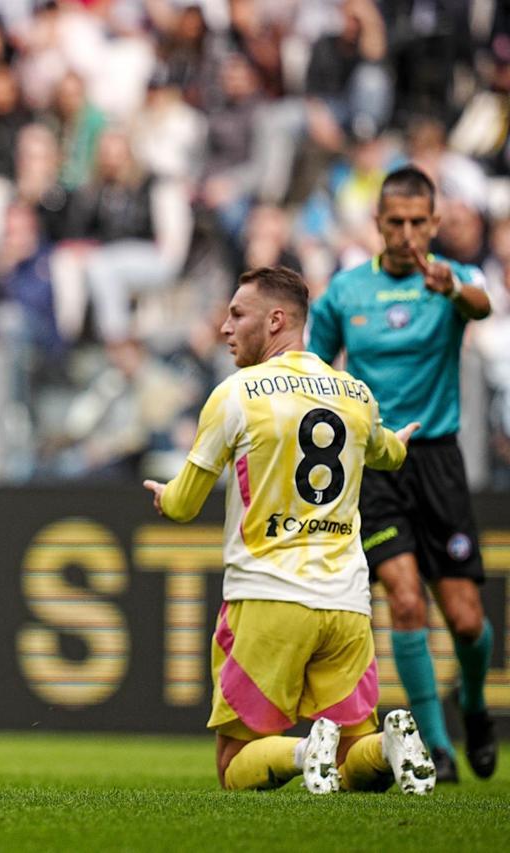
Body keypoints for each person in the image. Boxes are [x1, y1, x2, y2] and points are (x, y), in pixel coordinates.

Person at [144, 266, 434, 795]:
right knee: (352, 758)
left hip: (267, 599)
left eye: (238, 314)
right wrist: (401, 442)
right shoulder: (354, 393)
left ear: (276, 320)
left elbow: (184, 505)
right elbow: (388, 453)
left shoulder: (236, 394)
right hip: (346, 605)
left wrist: (166, 497)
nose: (225, 327)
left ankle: (303, 751)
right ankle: (388, 748)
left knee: (234, 764)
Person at [309, 166, 497, 783]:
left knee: (466, 619)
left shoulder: (451, 279)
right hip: (376, 464)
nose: (408, 233)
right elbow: (315, 370)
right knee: (406, 600)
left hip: (438, 460)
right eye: (396, 222)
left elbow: (483, 305)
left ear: (435, 222)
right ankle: (437, 747)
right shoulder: (345, 292)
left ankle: (474, 705)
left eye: (419, 222)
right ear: (378, 223)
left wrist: (452, 288)